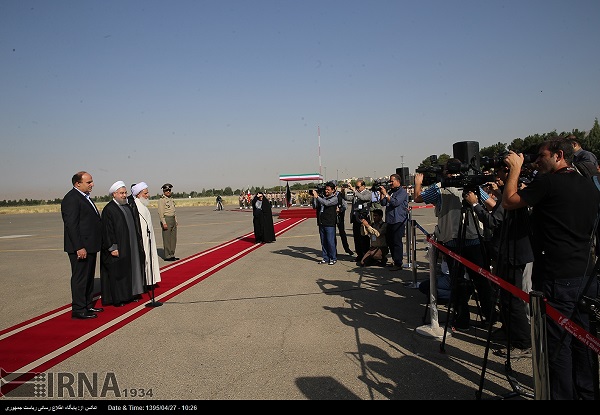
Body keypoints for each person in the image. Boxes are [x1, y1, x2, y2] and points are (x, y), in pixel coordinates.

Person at [502, 138, 600, 400]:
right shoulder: (587, 184)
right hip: (585, 274)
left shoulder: (548, 182)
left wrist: (514, 169)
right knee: (585, 341)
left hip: (557, 276)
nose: (536, 161)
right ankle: (587, 393)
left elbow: (509, 202)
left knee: (558, 345)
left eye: (541, 157)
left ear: (558, 155)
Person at [414, 160, 494, 332]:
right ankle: (490, 316)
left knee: (457, 281)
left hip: (451, 241)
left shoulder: (439, 187)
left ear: (445, 172)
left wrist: (418, 184)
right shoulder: (473, 186)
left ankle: (462, 318)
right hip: (473, 240)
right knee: (481, 280)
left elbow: (417, 198)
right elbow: (492, 205)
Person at [464, 164, 533, 358]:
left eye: (501, 174)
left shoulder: (512, 197)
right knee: (505, 297)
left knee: (513, 300)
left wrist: (475, 204)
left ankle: (523, 342)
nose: (497, 178)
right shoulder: (508, 195)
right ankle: (508, 329)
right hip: (506, 251)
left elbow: (493, 221)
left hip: (514, 253)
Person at [61, 171, 103, 320]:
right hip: (80, 247)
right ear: (77, 184)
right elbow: (71, 226)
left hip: (90, 245)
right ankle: (79, 309)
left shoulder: (84, 197)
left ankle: (87, 304)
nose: (92, 184)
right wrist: (79, 247)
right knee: (80, 278)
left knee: (89, 276)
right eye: (88, 182)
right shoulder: (72, 199)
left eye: (91, 181)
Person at [100, 181, 146, 307]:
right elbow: (107, 231)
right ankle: (120, 298)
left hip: (130, 246)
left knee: (131, 270)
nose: (124, 195)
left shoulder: (126, 207)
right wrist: (113, 247)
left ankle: (131, 294)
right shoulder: (109, 209)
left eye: (125, 193)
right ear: (114, 194)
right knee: (119, 274)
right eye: (121, 193)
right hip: (118, 248)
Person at [131, 182, 162, 289]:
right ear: (138, 194)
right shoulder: (136, 206)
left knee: (150, 259)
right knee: (145, 260)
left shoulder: (142, 205)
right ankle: (145, 282)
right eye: (145, 193)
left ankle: (150, 280)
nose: (148, 195)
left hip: (148, 238)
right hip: (142, 239)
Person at [378, 174, 409, 271]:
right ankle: (395, 260)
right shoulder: (391, 191)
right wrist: (382, 194)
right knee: (390, 242)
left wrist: (386, 194)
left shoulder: (402, 192)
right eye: (390, 181)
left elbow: (395, 202)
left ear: (398, 181)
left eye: (392, 181)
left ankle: (398, 263)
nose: (390, 183)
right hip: (390, 220)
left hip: (398, 220)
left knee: (396, 242)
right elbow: (383, 203)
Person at [312, 182, 339, 265]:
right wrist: (314, 197)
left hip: (330, 223)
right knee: (323, 241)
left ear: (333, 190)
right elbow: (315, 206)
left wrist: (317, 197)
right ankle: (325, 257)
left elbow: (326, 203)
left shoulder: (334, 198)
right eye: (325, 189)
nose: (326, 191)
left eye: (328, 189)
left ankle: (333, 258)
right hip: (321, 222)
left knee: (330, 241)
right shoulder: (323, 197)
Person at [349, 180, 373, 265]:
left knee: (364, 238)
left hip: (364, 219)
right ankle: (359, 254)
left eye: (358, 187)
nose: (357, 189)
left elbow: (364, 198)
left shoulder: (368, 193)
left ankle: (365, 255)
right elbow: (349, 198)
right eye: (356, 187)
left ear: (363, 186)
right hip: (356, 218)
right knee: (357, 238)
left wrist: (355, 191)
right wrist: (343, 193)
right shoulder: (356, 193)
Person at [158, 183, 179, 261]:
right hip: (166, 219)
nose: (168, 191)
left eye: (169, 190)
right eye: (166, 190)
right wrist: (164, 222)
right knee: (167, 239)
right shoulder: (162, 200)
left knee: (173, 239)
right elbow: (160, 213)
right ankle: (167, 256)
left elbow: (174, 211)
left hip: (172, 219)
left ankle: (172, 254)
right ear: (163, 191)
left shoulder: (171, 199)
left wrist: (176, 220)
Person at [336, 183, 354, 257]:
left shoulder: (340, 195)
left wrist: (340, 210)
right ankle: (334, 250)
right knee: (332, 235)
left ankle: (347, 249)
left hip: (340, 216)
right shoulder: (328, 195)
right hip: (331, 217)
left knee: (342, 233)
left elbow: (345, 206)